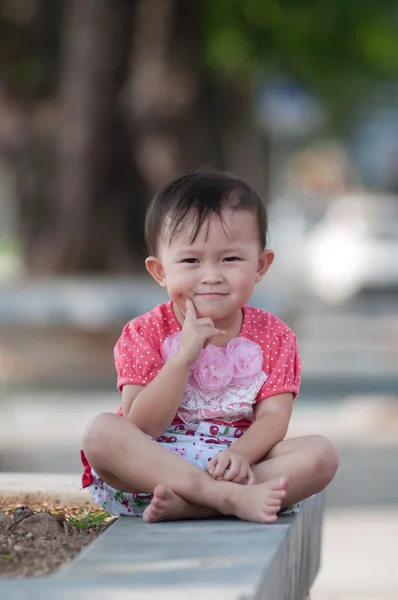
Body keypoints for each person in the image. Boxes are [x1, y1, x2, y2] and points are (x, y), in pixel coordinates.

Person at [81, 170, 339, 524]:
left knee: (321, 455)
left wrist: (241, 454)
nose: (212, 275)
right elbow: (143, 425)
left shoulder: (275, 335)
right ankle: (221, 498)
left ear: (260, 266)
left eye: (230, 259)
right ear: (160, 272)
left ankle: (197, 505)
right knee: (101, 432)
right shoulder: (144, 332)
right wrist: (183, 357)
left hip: (237, 463)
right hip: (157, 470)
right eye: (191, 261)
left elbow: (274, 417)